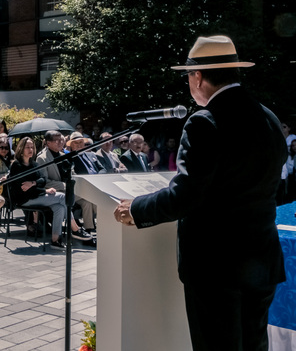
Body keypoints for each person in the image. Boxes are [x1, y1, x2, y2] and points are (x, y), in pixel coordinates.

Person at [114, 35, 286, 351]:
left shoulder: (204, 122)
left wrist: (137, 209)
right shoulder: (269, 118)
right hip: (262, 261)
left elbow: (185, 196)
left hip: (217, 268)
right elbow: (280, 188)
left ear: (198, 77)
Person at [7, 137, 66, 250]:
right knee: (62, 197)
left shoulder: (34, 164)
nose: (30, 149)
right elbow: (24, 189)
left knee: (59, 207)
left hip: (35, 196)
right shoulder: (17, 165)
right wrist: (44, 190)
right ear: (21, 149)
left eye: (32, 147)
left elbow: (43, 180)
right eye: (27, 147)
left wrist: (33, 183)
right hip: (25, 199)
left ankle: (55, 239)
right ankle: (75, 228)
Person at [35, 131, 95, 239]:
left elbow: (72, 174)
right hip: (56, 192)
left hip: (69, 190)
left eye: (61, 140)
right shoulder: (42, 158)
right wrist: (64, 185)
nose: (60, 142)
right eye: (56, 140)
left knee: (88, 200)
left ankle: (88, 230)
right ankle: (76, 230)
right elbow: (44, 181)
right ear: (48, 143)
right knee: (65, 202)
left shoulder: (64, 156)